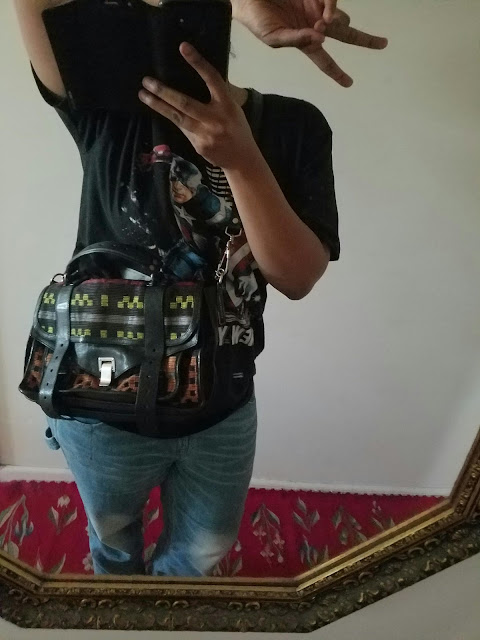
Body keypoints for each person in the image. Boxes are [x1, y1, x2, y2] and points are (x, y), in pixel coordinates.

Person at [14, 0, 387, 576]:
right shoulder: (106, 109)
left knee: (199, 559)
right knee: (113, 548)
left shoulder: (293, 125)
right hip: (97, 406)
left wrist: (242, 160)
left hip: (223, 409)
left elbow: (297, 276)